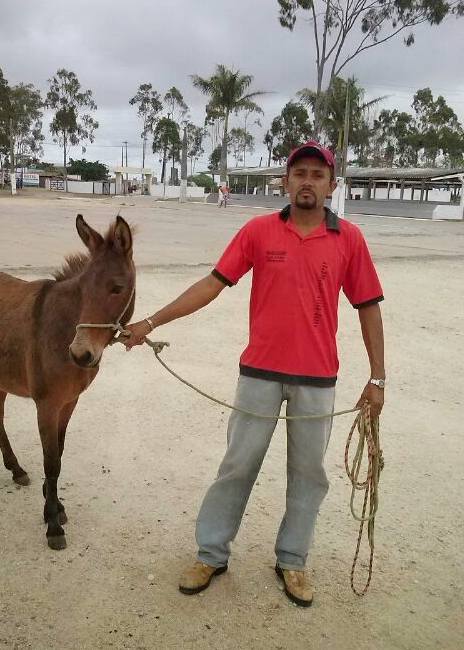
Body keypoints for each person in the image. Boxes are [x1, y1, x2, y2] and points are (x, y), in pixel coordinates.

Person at [124, 141, 385, 607]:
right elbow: (212, 284)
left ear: (331, 185)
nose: (307, 181)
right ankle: (212, 553)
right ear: (285, 183)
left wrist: (378, 379)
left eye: (317, 175)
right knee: (237, 466)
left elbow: (368, 308)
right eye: (299, 173)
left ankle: (293, 560)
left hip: (317, 381)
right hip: (259, 373)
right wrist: (150, 323)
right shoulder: (258, 232)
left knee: (309, 475)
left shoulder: (350, 239)